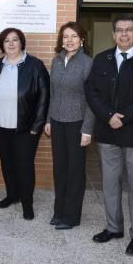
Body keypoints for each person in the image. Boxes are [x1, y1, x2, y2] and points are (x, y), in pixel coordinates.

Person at [85, 15, 133, 257]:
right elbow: (91, 92)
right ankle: (113, 227)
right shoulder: (101, 59)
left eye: (129, 30)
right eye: (119, 30)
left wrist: (124, 116)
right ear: (113, 35)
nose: (124, 34)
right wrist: (109, 115)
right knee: (109, 184)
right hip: (108, 132)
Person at [0, 28, 49, 220]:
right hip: (0, 125)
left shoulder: (35, 65)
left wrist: (37, 126)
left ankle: (27, 202)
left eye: (15, 40)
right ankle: (12, 195)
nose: (10, 44)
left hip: (26, 128)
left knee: (24, 166)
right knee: (7, 164)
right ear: (2, 44)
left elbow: (44, 97)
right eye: (6, 40)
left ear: (21, 42)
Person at [44, 22, 94, 230]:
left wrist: (88, 129)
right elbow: (52, 93)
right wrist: (48, 119)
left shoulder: (87, 63)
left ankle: (71, 216)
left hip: (77, 124)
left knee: (75, 171)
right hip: (57, 121)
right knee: (60, 169)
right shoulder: (56, 61)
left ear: (81, 38)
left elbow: (92, 99)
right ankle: (59, 211)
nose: (69, 40)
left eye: (74, 36)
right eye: (66, 37)